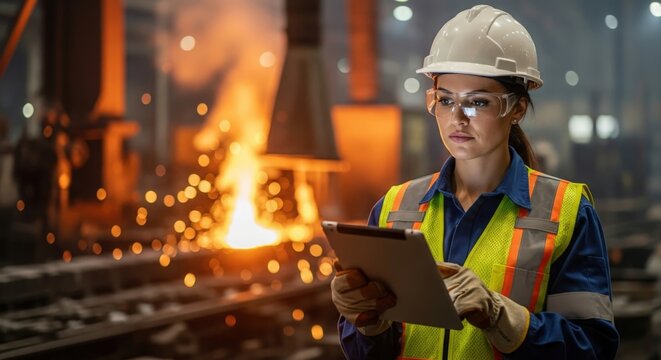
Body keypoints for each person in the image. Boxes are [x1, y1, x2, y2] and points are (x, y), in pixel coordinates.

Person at [330, 4, 619, 359]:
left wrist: (500, 316)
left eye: (478, 102)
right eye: (446, 100)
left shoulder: (567, 213)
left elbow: (593, 348)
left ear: (517, 109)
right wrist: (365, 320)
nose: (458, 118)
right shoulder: (394, 208)